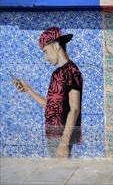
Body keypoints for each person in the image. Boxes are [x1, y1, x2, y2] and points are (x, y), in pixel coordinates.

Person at [12, 26, 83, 158]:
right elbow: (51, 106)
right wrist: (28, 89)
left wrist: (64, 144)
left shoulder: (72, 71)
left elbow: (74, 109)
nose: (45, 58)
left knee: (61, 174)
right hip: (52, 134)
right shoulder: (57, 74)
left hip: (62, 137)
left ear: (56, 46)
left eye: (45, 51)